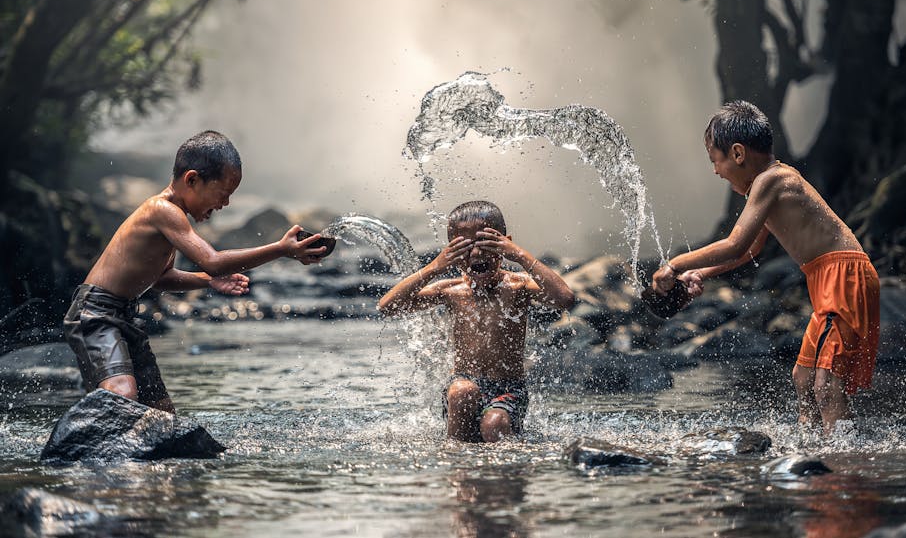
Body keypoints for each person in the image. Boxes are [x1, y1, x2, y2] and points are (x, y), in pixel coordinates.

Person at [652, 101, 880, 433]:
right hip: (829, 279)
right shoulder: (768, 185)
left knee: (826, 384)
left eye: (716, 161)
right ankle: (812, 449)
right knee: (803, 378)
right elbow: (748, 252)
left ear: (739, 154)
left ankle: (844, 465)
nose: (716, 171)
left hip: (844, 278)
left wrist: (673, 265)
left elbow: (735, 244)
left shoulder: (773, 179)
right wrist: (701, 273)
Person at [64, 130, 331, 413]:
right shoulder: (161, 210)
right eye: (223, 194)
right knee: (123, 394)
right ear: (192, 180)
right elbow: (213, 261)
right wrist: (280, 249)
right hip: (96, 313)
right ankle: (78, 442)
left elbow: (161, 278)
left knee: (161, 412)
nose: (225, 204)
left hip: (123, 315)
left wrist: (207, 282)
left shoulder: (173, 220)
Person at [378, 201, 575, 442]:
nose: (476, 254)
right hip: (461, 386)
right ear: (450, 250)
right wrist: (435, 267)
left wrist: (521, 256)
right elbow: (388, 307)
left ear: (505, 243)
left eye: (485, 243)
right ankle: (456, 463)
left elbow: (564, 299)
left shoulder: (518, 286)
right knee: (463, 391)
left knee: (495, 424)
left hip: (509, 389)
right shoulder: (451, 290)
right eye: (464, 247)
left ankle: (500, 472)